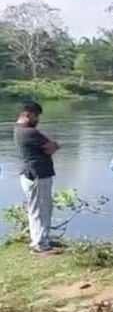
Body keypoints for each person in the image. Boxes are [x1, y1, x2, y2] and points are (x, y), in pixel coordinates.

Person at [14, 101, 61, 254]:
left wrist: (51, 146)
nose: (38, 119)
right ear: (27, 114)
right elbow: (52, 147)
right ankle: (41, 244)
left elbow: (50, 147)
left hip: (31, 174)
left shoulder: (19, 130)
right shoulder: (30, 132)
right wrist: (53, 145)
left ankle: (42, 239)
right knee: (41, 209)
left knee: (39, 208)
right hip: (37, 175)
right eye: (36, 116)